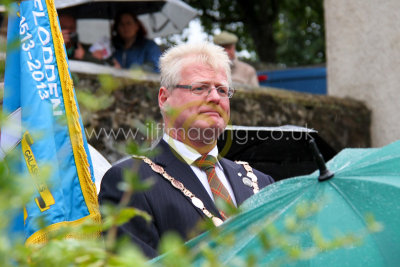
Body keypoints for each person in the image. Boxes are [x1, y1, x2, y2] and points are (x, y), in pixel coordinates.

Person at [98, 42, 274, 258]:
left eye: (222, 90)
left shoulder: (260, 182)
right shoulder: (129, 180)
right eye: (199, 88)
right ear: (164, 99)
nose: (215, 98)